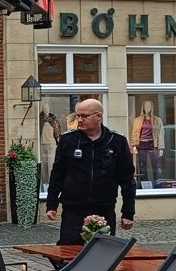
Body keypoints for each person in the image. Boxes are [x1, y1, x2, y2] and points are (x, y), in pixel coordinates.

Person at [45, 98, 136, 243]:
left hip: (103, 211)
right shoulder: (68, 140)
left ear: (98, 116)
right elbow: (57, 175)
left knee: (102, 256)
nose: (79, 120)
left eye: (84, 116)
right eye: (77, 116)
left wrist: (128, 212)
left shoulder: (116, 141)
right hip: (73, 212)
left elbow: (127, 180)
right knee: (67, 256)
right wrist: (51, 205)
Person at [129, 100, 163, 185]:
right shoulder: (137, 120)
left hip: (152, 144)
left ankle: (158, 185)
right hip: (141, 144)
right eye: (146, 106)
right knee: (142, 166)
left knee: (155, 166)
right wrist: (133, 145)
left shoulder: (157, 120)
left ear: (152, 107)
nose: (147, 108)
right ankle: (144, 185)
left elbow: (161, 133)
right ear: (143, 108)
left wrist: (161, 147)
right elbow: (134, 133)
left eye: (149, 106)